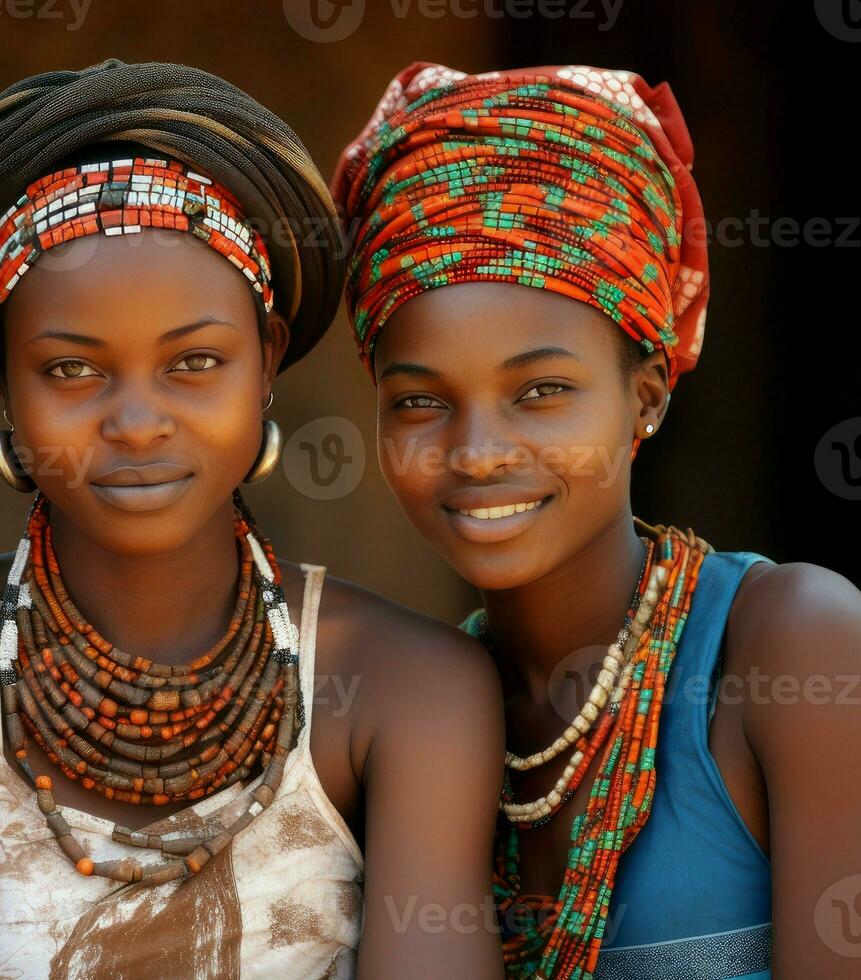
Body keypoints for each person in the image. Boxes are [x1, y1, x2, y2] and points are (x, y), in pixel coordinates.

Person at [0, 59, 505, 978]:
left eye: (194, 363)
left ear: (266, 361)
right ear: (5, 379)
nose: (136, 422)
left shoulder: (411, 688)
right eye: (71, 370)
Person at [334, 62, 861, 977]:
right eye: (420, 403)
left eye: (540, 391)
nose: (477, 451)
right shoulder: (406, 716)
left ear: (645, 395)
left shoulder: (794, 648)